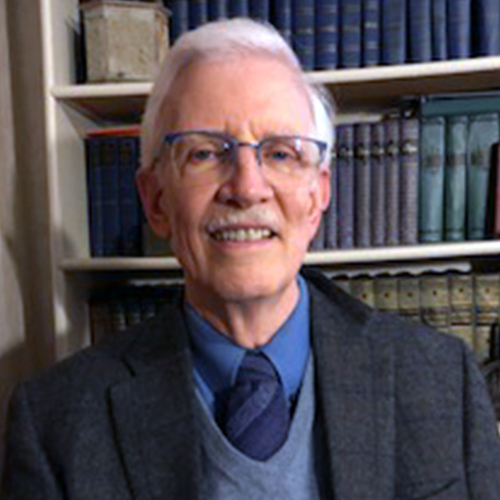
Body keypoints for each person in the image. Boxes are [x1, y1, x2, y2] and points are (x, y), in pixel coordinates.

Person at [2, 18, 500, 500]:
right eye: (204, 153)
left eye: (281, 154)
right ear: (156, 201)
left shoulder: (441, 381)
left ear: (317, 196)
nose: (246, 187)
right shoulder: (55, 423)